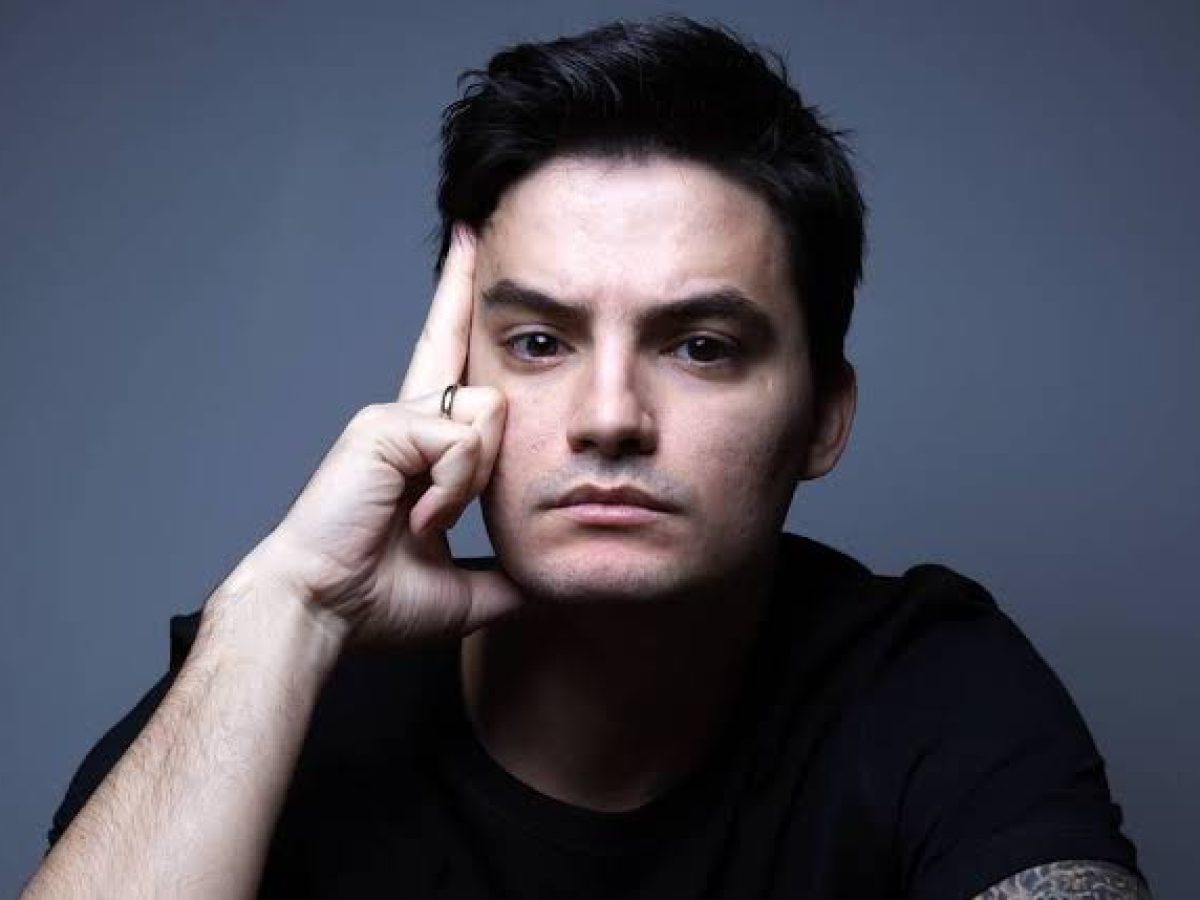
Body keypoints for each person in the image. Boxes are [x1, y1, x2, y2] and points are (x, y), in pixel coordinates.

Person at [25, 16, 1148, 900]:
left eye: (701, 346)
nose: (610, 416)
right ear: (451, 386)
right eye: (539, 343)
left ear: (823, 419)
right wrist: (291, 607)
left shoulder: (929, 687)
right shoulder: (272, 681)